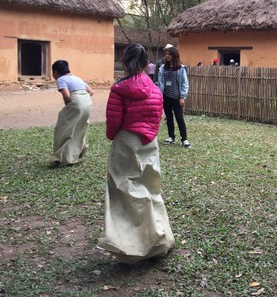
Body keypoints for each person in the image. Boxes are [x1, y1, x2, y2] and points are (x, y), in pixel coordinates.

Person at [98, 43, 175, 264]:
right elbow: (157, 116)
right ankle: (158, 238)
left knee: (124, 189)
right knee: (150, 189)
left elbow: (113, 121)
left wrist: (113, 136)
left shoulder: (119, 89)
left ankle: (129, 244)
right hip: (149, 143)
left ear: (125, 62)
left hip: (126, 142)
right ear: (145, 63)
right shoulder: (154, 89)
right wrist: (149, 134)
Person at [49, 60, 94, 168]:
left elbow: (67, 96)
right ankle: (78, 150)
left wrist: (68, 103)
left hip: (76, 104)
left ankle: (59, 157)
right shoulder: (77, 78)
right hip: (87, 104)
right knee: (79, 128)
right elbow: (91, 92)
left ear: (55, 72)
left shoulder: (61, 79)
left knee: (63, 129)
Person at [158, 45, 191, 148]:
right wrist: (160, 95)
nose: (167, 56)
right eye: (166, 54)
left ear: (174, 55)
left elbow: (185, 83)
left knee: (179, 118)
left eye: (169, 54)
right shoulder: (163, 68)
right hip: (166, 96)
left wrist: (182, 97)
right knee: (169, 117)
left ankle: (184, 139)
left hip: (177, 97)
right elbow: (160, 82)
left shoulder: (181, 68)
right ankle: (171, 137)